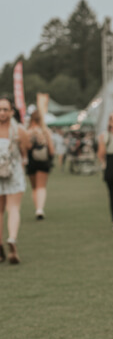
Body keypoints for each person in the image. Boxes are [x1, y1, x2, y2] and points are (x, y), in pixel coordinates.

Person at [0, 96, 28, 264]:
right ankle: (12, 237)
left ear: (11, 111)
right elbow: (26, 151)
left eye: (4, 109)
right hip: (14, 172)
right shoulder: (18, 130)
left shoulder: (19, 130)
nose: (2, 112)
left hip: (9, 172)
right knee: (13, 208)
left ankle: (1, 243)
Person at [26, 109, 55, 219]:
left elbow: (26, 147)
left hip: (31, 161)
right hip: (43, 160)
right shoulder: (45, 131)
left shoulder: (28, 131)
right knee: (41, 186)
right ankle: (40, 209)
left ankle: (37, 207)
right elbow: (51, 150)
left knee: (34, 187)